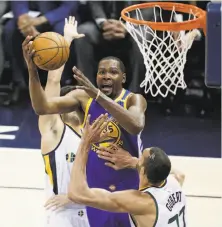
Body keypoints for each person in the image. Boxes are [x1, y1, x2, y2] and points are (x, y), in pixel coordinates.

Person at [23, 33, 147, 226]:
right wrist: (32, 70)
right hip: (95, 195)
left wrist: (98, 95)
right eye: (101, 72)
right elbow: (42, 107)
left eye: (112, 72)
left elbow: (135, 124)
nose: (106, 76)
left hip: (128, 190)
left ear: (123, 77)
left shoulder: (133, 99)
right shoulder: (83, 97)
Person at [67, 114, 187, 227]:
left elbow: (77, 194)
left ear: (143, 171)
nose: (137, 159)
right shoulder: (174, 183)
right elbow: (180, 174)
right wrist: (133, 162)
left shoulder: (142, 202)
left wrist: (85, 143)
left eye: (140, 159)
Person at [33, 17, 89, 227]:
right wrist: (65, 40)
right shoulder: (54, 130)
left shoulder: (92, 132)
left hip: (94, 209)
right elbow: (54, 80)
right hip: (63, 215)